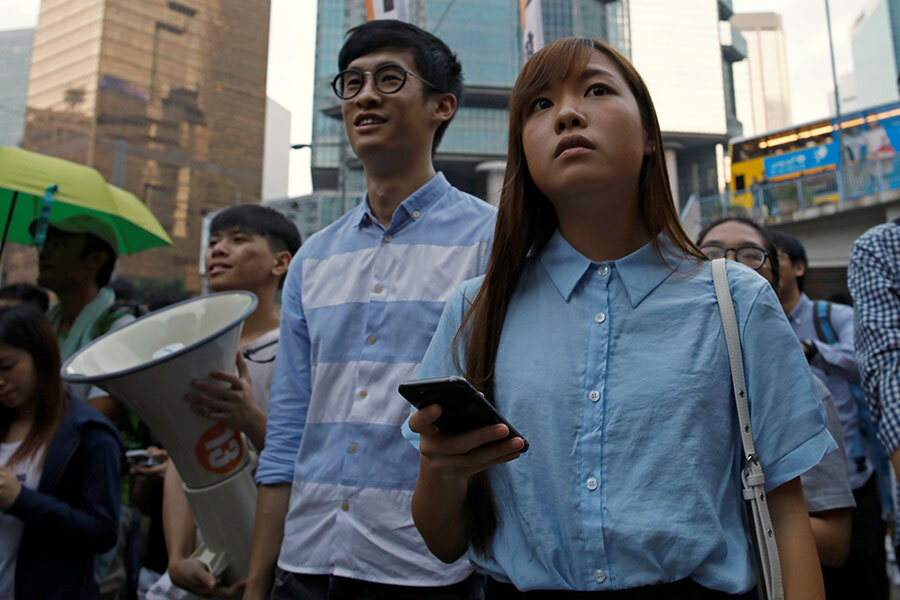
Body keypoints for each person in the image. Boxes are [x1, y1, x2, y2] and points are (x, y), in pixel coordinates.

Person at [405, 37, 831, 598]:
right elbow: (445, 540)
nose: (568, 114)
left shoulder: (737, 300)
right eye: (539, 105)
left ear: (650, 135)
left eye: (597, 89)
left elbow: (786, 515)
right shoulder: (475, 309)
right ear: (523, 152)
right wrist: (441, 471)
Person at [246, 19, 496, 600]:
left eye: (389, 79)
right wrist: (258, 581)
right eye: (352, 82)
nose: (365, 95)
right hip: (307, 558)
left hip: (425, 565)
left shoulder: (491, 241)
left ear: (442, 106)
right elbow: (287, 431)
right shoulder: (313, 258)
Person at [146, 204, 300, 600]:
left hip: (280, 557)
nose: (217, 250)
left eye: (238, 240)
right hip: (205, 559)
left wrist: (249, 419)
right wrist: (178, 557)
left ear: (281, 263)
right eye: (213, 242)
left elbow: (309, 458)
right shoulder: (189, 350)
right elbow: (183, 462)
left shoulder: (298, 350)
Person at [697, 218, 855, 570]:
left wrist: (717, 525)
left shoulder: (808, 393)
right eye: (711, 253)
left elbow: (833, 541)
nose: (729, 266)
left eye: (751, 255)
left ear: (775, 281)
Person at [769, 229, 888, 597]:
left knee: (864, 578)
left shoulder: (833, 316)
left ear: (798, 266)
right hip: (793, 488)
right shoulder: (750, 327)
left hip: (853, 481)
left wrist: (814, 350)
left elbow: (867, 358)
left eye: (768, 255)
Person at [0, 303, 122, 599]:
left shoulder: (88, 434)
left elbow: (102, 531)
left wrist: (21, 500)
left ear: (41, 358)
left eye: (6, 367)